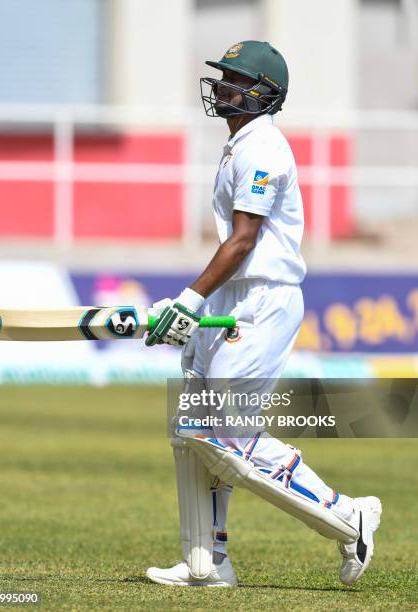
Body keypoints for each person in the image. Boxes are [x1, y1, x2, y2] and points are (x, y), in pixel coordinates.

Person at [145, 40, 382, 588]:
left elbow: (245, 239)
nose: (222, 85)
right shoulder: (238, 145)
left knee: (226, 435)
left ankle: (350, 515)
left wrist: (189, 299)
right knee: (192, 430)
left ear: (263, 93)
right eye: (223, 76)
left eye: (234, 78)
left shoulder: (264, 148)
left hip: (262, 298)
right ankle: (208, 561)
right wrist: (199, 307)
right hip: (234, 299)